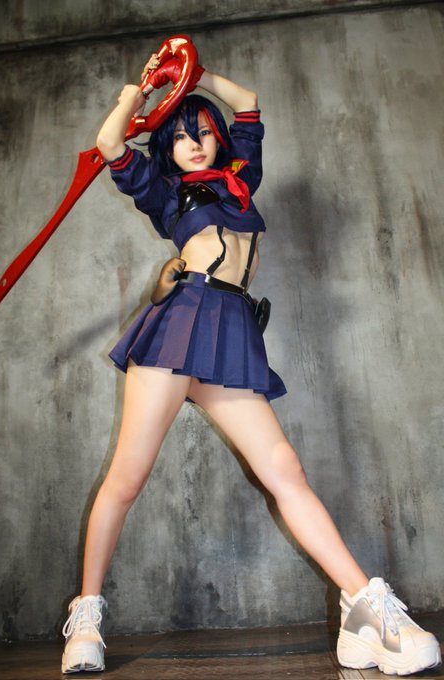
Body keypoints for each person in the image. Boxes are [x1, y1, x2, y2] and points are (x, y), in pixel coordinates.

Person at [61, 46, 441, 676]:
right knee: (127, 477)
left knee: (284, 469)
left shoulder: (241, 179)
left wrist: (192, 75)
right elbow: (109, 144)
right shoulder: (165, 193)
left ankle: (364, 612)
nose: (194, 144)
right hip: (180, 323)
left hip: (231, 328)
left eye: (202, 132)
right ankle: (87, 619)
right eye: (180, 137)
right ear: (168, 149)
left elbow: (248, 103)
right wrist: (142, 91)